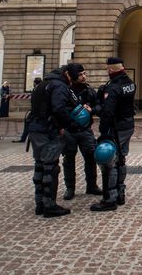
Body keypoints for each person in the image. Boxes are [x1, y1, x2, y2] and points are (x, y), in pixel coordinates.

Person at [28, 64, 83, 218]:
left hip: (35, 128)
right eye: (71, 78)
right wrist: (69, 125)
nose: (72, 82)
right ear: (66, 74)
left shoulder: (43, 84)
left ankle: (39, 203)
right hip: (48, 130)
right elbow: (59, 109)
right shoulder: (59, 86)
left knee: (39, 166)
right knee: (50, 168)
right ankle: (49, 205)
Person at [91, 57, 137, 211]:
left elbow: (108, 112)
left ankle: (110, 198)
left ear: (111, 70)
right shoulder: (130, 83)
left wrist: (104, 132)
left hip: (116, 127)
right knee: (121, 159)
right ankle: (121, 193)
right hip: (128, 124)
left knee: (110, 162)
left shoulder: (113, 87)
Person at [61, 64, 103, 200]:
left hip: (85, 130)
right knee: (68, 159)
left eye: (85, 74)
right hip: (69, 130)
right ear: (74, 76)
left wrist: (92, 109)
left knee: (91, 158)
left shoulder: (89, 90)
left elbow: (99, 105)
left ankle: (91, 185)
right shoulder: (66, 90)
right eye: (80, 74)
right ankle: (70, 188)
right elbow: (60, 108)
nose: (84, 76)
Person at [13, 77, 40, 143]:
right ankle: (24, 138)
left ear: (35, 83)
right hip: (35, 110)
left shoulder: (38, 89)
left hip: (35, 111)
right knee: (28, 124)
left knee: (28, 123)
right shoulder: (37, 89)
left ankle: (24, 139)